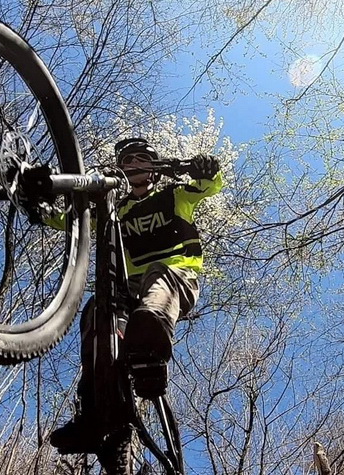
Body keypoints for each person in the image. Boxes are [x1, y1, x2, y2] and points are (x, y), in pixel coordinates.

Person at [48, 137, 223, 453]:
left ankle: (149, 349)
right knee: (97, 309)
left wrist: (206, 168)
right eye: (127, 161)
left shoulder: (175, 195)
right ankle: (94, 409)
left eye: (140, 159)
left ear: (153, 168)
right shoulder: (115, 211)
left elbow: (207, 186)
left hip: (175, 275)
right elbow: (72, 221)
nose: (133, 165)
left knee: (158, 279)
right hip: (129, 288)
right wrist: (40, 206)